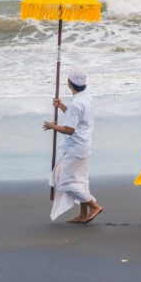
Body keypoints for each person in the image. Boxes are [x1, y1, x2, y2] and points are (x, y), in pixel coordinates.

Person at [42, 68, 103, 224]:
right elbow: (75, 118)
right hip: (84, 144)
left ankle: (93, 205)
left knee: (65, 182)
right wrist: (62, 105)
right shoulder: (86, 98)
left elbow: (70, 129)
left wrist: (52, 126)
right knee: (80, 180)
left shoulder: (76, 103)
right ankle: (83, 214)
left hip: (76, 147)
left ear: (69, 83)